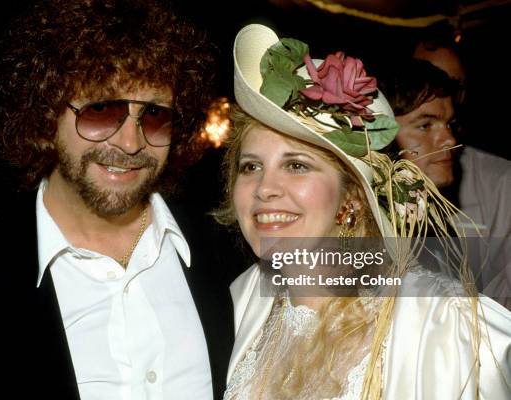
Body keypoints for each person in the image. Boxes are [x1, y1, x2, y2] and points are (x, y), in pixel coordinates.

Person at [218, 24, 511, 399]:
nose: (264, 189)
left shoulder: (442, 327)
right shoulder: (242, 304)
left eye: (296, 165)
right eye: (251, 167)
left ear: (352, 196)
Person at [0, 1, 239, 399]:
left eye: (153, 115)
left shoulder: (228, 252)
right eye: (100, 110)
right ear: (45, 113)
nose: (130, 143)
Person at [379, 58, 511, 309]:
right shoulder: (362, 230)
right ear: (378, 137)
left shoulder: (433, 220)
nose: (449, 139)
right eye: (425, 125)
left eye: (449, 124)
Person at [411, 29, 511, 308]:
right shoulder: (359, 192)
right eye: (424, 82)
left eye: (452, 87)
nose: (441, 96)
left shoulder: (500, 180)